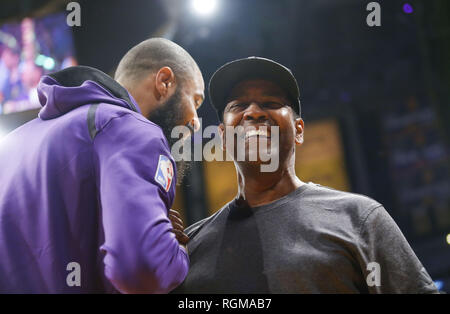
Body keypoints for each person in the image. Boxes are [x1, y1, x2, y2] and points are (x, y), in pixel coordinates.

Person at [172, 57, 439, 294]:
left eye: (270, 102)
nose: (253, 112)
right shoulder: (190, 246)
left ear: (299, 130)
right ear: (223, 137)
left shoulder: (359, 219)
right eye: (238, 105)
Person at [0, 38, 202, 293]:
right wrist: (176, 251)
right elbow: (142, 269)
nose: (195, 122)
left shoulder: (14, 141)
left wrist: (147, 226)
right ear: (164, 82)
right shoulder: (134, 130)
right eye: (195, 101)